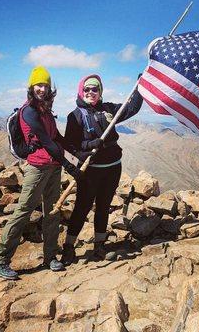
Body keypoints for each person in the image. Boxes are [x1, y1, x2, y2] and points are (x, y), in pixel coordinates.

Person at [0, 65, 82, 280]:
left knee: (52, 211)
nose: (42, 88)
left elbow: (57, 138)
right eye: (38, 84)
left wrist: (77, 157)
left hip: (53, 167)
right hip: (38, 168)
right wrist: (70, 167)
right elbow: (47, 142)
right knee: (23, 211)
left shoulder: (45, 110)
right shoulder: (29, 111)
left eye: (45, 85)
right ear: (31, 86)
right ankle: (0, 261)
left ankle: (50, 257)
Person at [61, 74, 143, 264]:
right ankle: (68, 247)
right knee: (82, 207)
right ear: (81, 91)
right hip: (91, 171)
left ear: (100, 92)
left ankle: (99, 245)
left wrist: (140, 87)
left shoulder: (108, 109)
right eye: (87, 89)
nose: (91, 92)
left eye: (95, 89)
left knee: (104, 206)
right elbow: (70, 147)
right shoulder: (74, 116)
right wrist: (90, 144)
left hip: (113, 167)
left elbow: (131, 108)